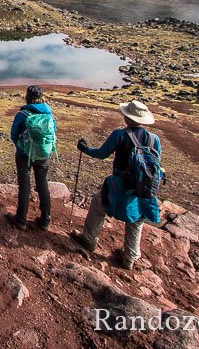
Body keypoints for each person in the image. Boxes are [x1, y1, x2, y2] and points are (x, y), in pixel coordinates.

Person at [70, 99, 163, 270]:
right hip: (144, 187)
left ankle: (89, 240)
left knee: (99, 204)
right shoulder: (154, 139)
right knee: (137, 218)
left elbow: (101, 154)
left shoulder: (120, 135)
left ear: (127, 117)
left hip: (120, 185)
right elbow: (155, 164)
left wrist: (85, 149)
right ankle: (130, 257)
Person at [6, 85, 56, 231]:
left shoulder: (23, 114)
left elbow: (14, 134)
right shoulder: (49, 115)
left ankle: (21, 220)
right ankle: (45, 220)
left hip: (24, 154)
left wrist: (21, 146)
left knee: (25, 186)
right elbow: (53, 134)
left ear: (27, 96)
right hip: (43, 155)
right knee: (43, 185)